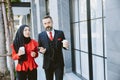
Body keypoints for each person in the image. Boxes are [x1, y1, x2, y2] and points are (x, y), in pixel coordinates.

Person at [38, 15, 69, 80]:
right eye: (45, 23)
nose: (47, 25)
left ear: (52, 22)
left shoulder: (60, 33)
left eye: (49, 22)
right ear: (43, 24)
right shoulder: (40, 35)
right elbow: (39, 47)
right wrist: (40, 51)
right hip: (47, 64)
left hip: (59, 63)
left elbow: (64, 45)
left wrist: (66, 46)